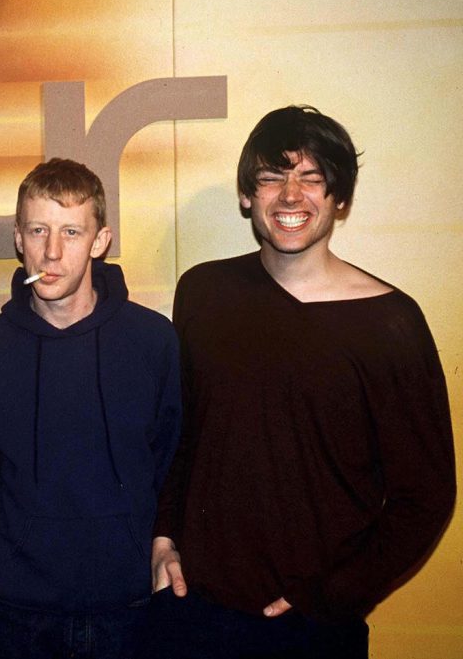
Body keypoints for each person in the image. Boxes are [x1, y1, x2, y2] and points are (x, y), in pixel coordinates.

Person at [143, 106, 456, 659]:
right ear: (247, 196)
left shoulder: (391, 322)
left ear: (340, 198)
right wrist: (164, 538)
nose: (291, 196)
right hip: (193, 612)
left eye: (312, 178)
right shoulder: (203, 292)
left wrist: (331, 597)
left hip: (316, 629)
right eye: (272, 177)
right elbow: (179, 436)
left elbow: (426, 496)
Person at [0, 158, 182, 659]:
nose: (51, 251)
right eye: (39, 230)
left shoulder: (152, 341)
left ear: (100, 241)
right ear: (19, 238)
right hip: (16, 616)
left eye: (71, 232)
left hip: (128, 609)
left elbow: (171, 461)